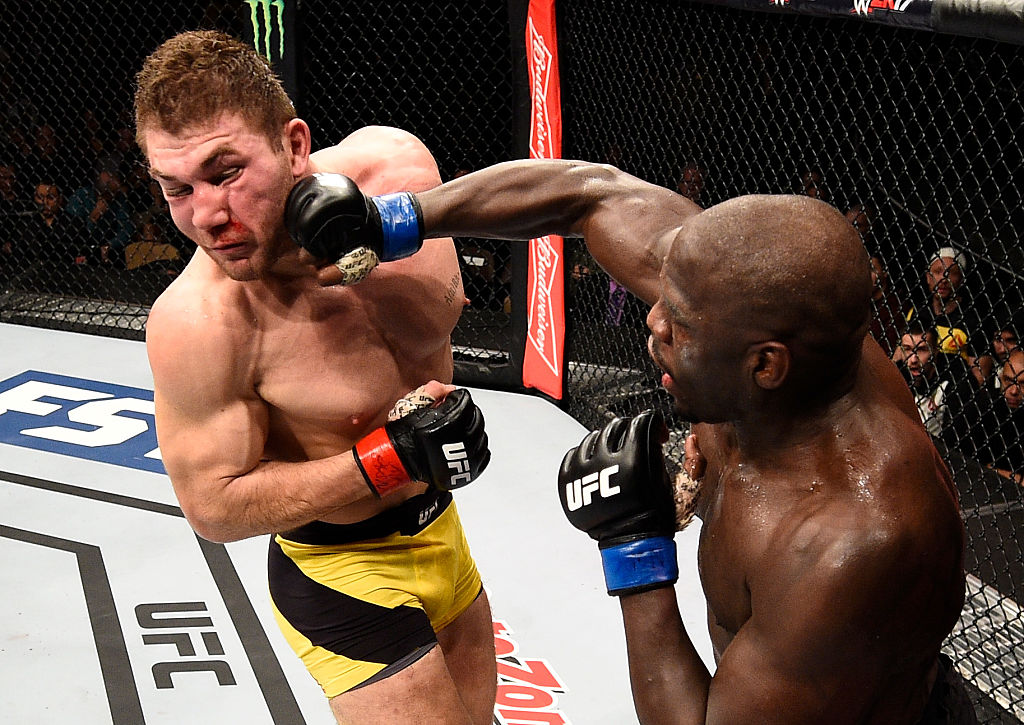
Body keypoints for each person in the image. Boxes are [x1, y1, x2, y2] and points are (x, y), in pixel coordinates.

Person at [293, 159, 976, 723]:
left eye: (679, 323)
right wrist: (392, 220)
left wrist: (634, 547)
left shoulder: (853, 542)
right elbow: (587, 192)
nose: (653, 324)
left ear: (765, 364)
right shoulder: (734, 302)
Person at [133, 31, 495, 725]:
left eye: (225, 171)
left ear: (294, 145)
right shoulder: (200, 322)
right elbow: (214, 504)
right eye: (176, 187)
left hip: (445, 533)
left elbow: (534, 225)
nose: (207, 214)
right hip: (342, 572)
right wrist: (388, 459)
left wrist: (384, 236)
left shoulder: (398, 168)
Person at [894, 321, 983, 456]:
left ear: (935, 350)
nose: (913, 359)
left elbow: (958, 439)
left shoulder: (957, 377)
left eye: (922, 350)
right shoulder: (898, 373)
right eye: (907, 349)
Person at [904, 247, 990, 388]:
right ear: (927, 277)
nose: (943, 279)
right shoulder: (917, 311)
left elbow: (979, 377)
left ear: (961, 279)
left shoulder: (974, 321)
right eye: (937, 272)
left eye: (951, 273)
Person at [975, 348, 1024, 487]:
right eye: (1008, 381)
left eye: (1023, 384)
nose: (1014, 391)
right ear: (1001, 378)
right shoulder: (984, 407)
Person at [868, 254, 905, 356]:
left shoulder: (895, 306)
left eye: (871, 269)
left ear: (885, 272)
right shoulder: (859, 301)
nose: (865, 274)